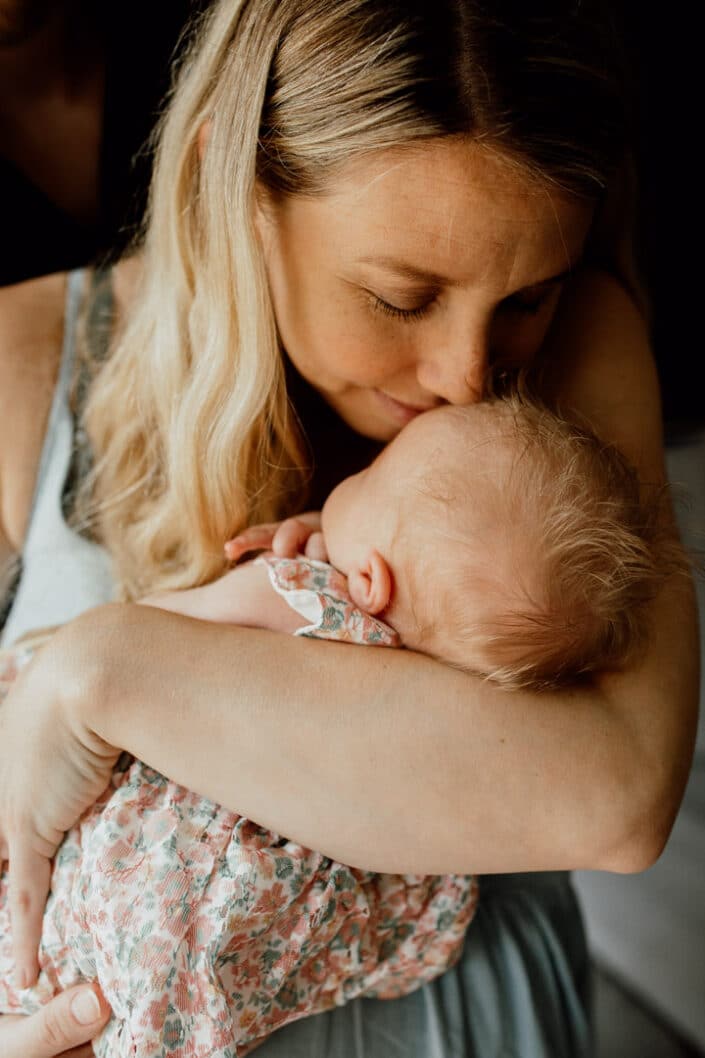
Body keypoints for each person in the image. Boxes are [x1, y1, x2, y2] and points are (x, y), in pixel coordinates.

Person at [0, 1, 699, 1055]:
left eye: (526, 297)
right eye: (400, 298)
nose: (472, 377)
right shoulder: (23, 365)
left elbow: (615, 794)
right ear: (231, 194)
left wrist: (101, 669)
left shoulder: (583, 347)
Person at [0, 394, 677, 1056]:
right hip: (251, 927)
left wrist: (273, 578)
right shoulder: (454, 704)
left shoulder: (293, 591)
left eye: (372, 476)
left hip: (152, 869)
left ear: (372, 578)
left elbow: (160, 629)